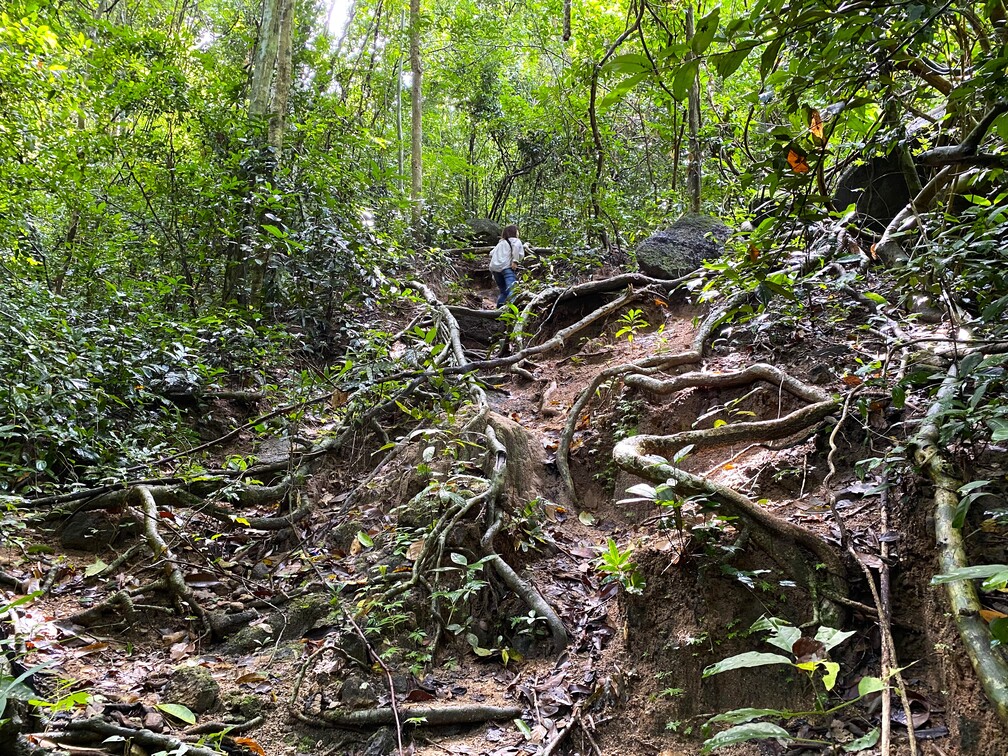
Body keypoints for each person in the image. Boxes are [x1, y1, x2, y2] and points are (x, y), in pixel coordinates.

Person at [488, 224, 524, 307]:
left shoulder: (501, 243)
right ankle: (511, 311)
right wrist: (515, 261)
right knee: (512, 290)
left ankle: (499, 311)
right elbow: (515, 248)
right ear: (514, 232)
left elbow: (491, 253)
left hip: (495, 270)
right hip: (507, 268)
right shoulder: (515, 241)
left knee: (503, 291)